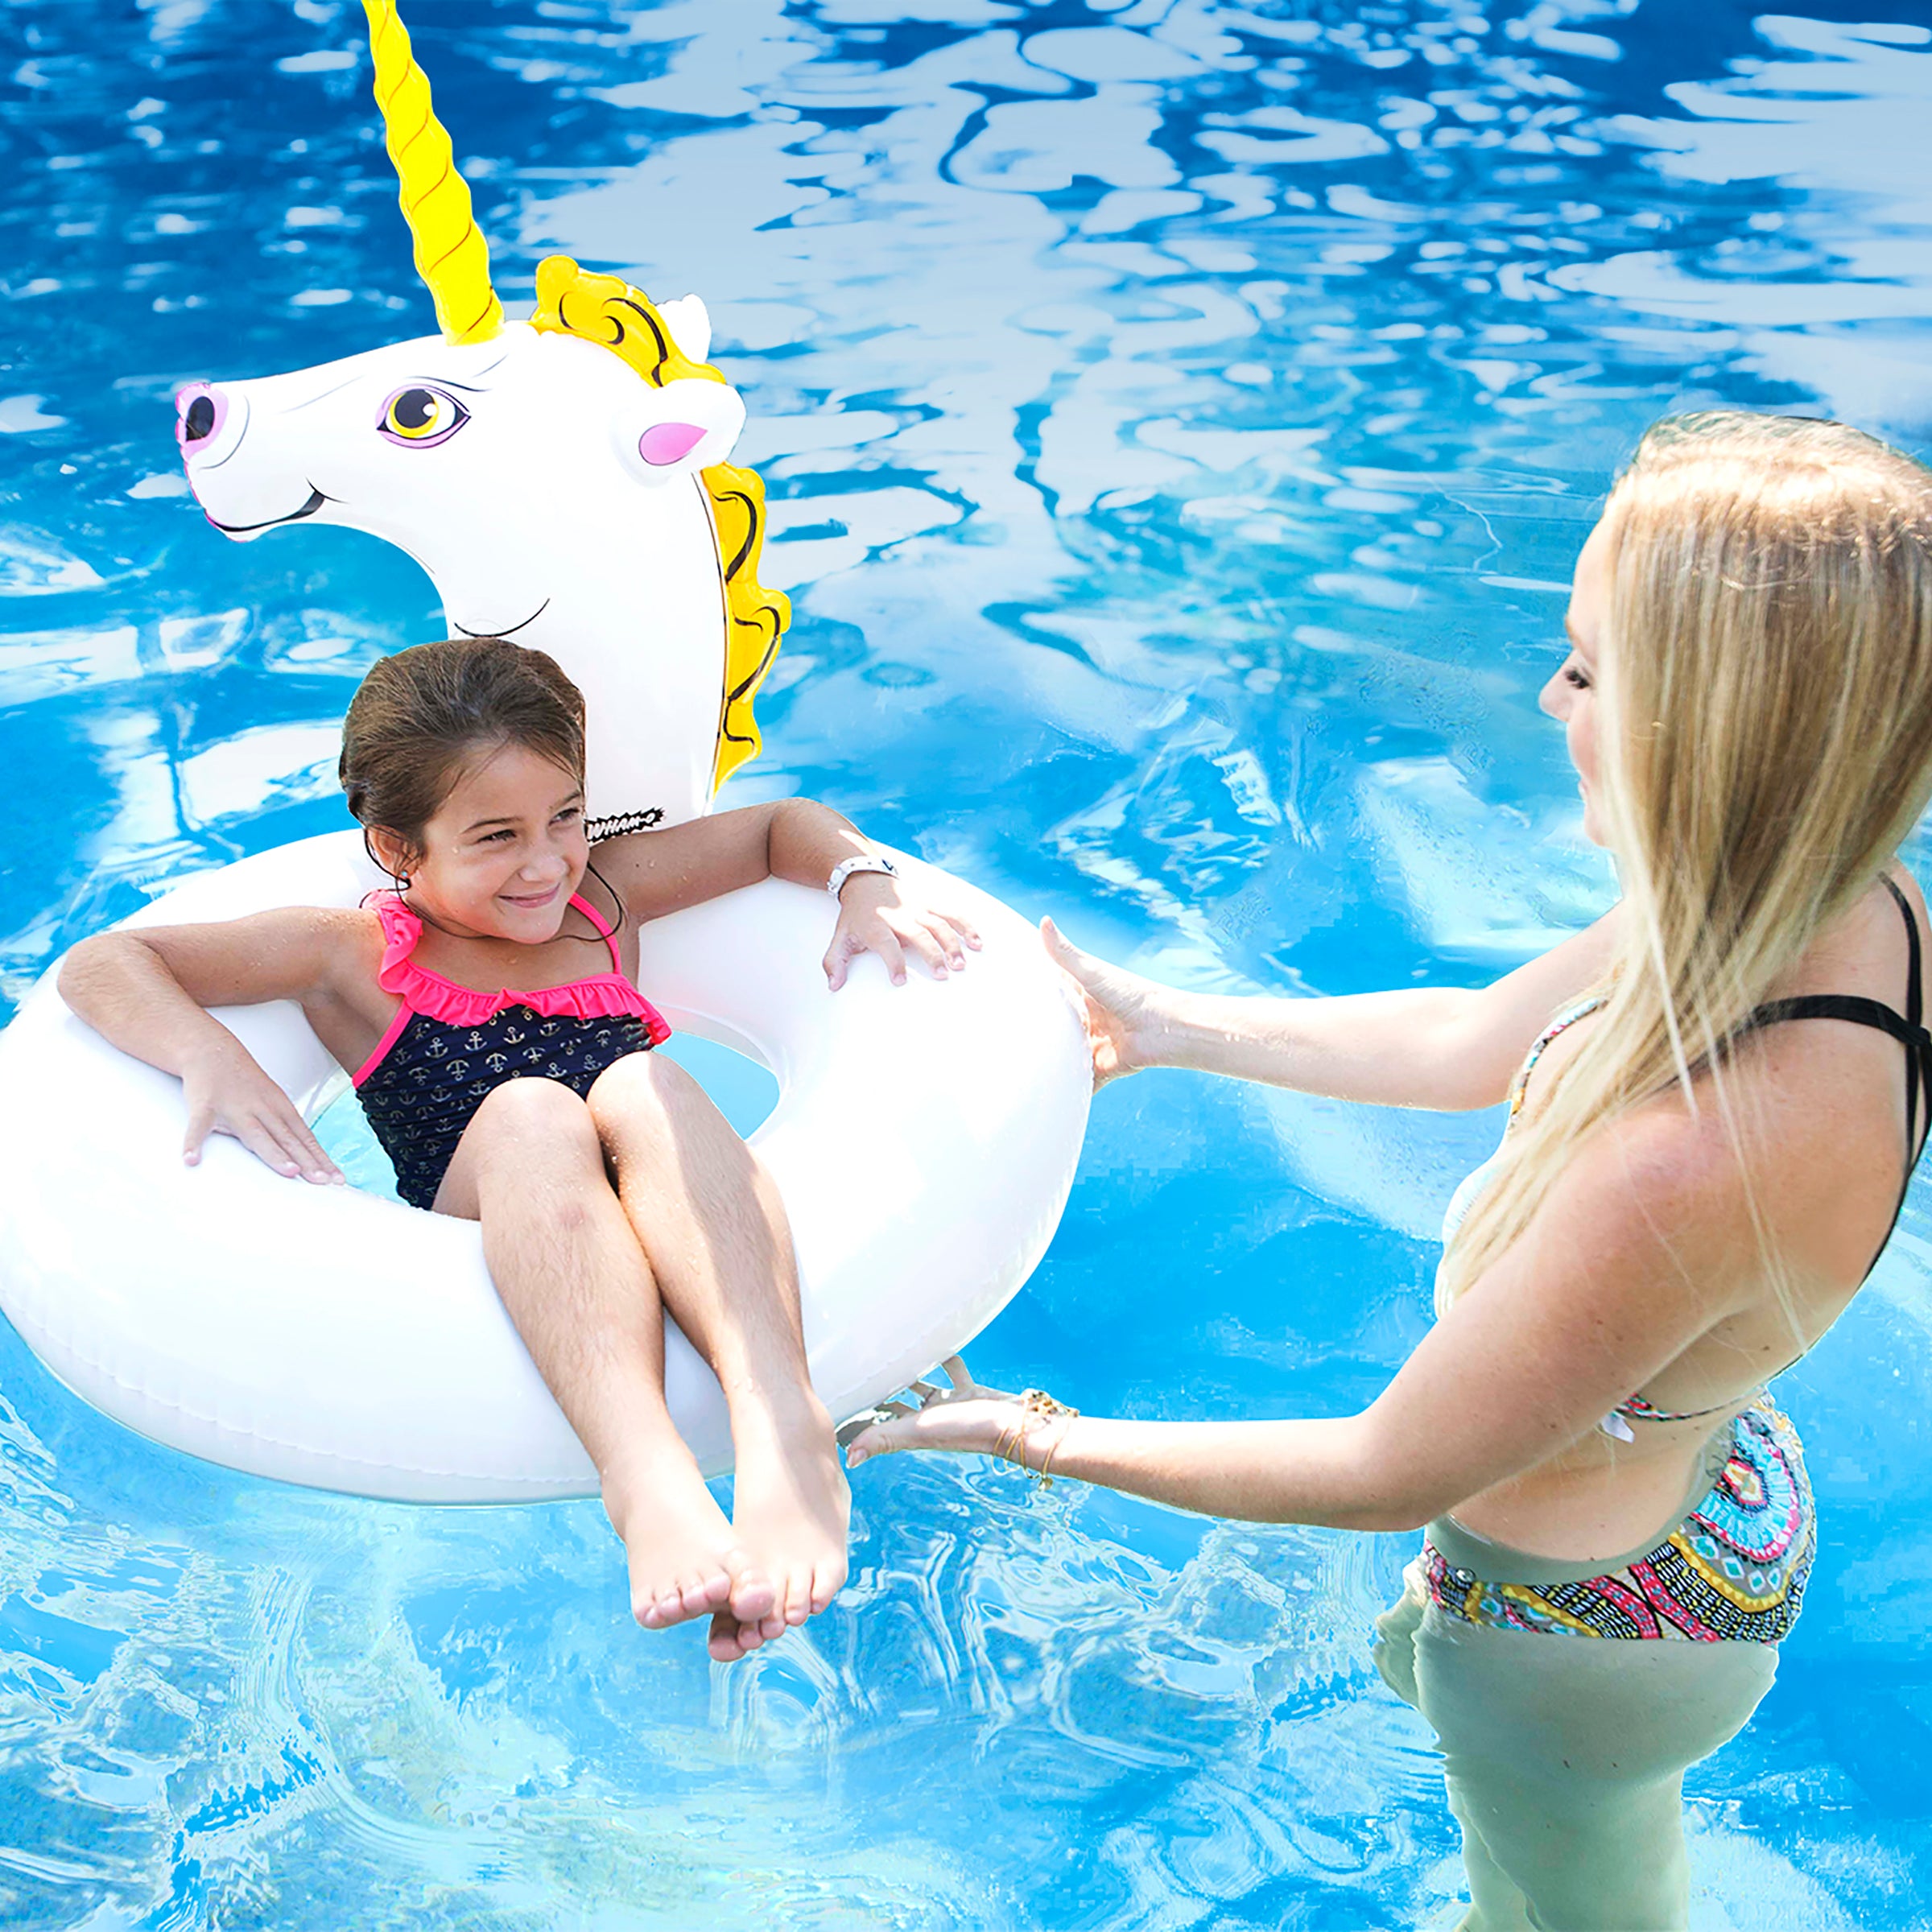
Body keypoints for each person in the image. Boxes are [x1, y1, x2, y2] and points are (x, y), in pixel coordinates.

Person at [844, 411, 1932, 1929]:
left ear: (1712, 730)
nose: (1552, 690)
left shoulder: (1686, 1159)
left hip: (1578, 1639)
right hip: (1699, 1508)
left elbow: (1386, 1473)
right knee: (1578, 1860)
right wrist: (1175, 1028)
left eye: (1594, 666)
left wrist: (1028, 1435)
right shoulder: (1833, 899)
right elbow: (1486, 1035)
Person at [60, 634, 979, 1667]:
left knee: (640, 1078)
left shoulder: (606, 901)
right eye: (495, 836)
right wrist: (207, 1056)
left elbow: (777, 827)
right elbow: (105, 962)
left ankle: (784, 1427)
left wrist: (860, 879)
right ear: (399, 848)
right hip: (505, 1207)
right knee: (535, 1107)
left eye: (566, 818)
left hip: (662, 1185)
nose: (546, 863)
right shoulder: (350, 955)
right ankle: (645, 1476)